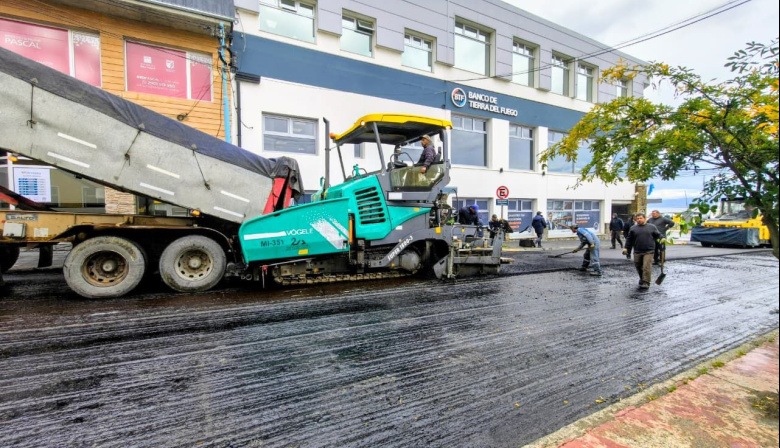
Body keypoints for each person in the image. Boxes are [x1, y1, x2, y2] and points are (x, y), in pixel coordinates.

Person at [624, 213, 662, 289]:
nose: (639, 220)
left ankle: (646, 282)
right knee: (638, 266)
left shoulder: (651, 227)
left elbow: (658, 235)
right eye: (637, 218)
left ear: (645, 218)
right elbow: (629, 239)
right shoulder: (633, 228)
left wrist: (662, 238)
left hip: (649, 250)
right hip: (637, 250)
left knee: (646, 267)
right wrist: (626, 248)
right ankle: (642, 278)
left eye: (640, 218)